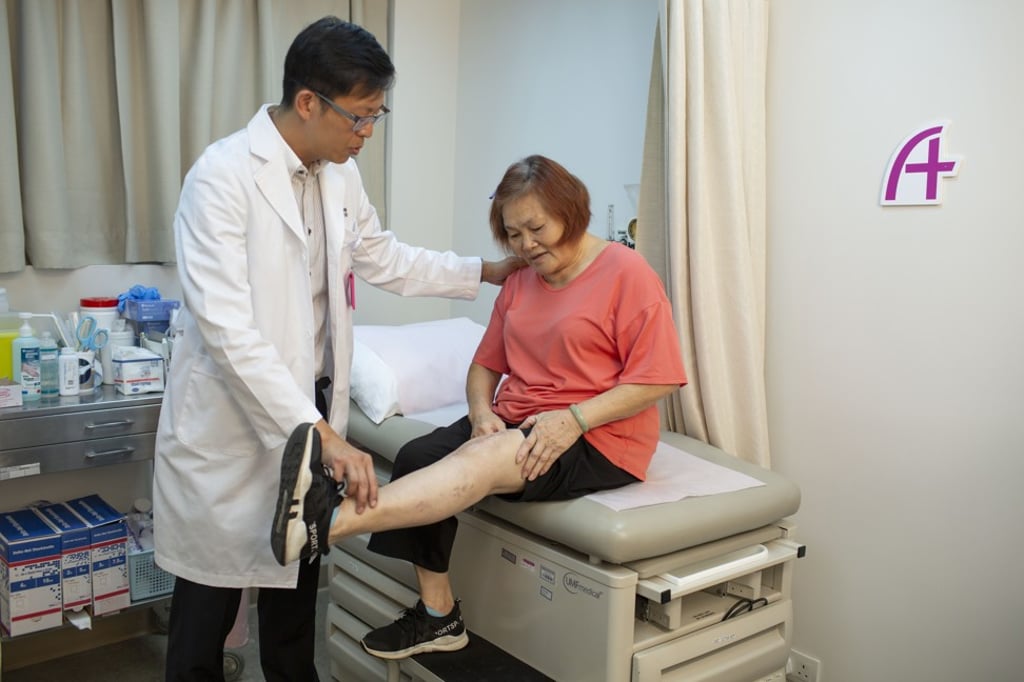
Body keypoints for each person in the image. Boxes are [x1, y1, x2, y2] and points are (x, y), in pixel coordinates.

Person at [152, 17, 522, 682]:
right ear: (307, 103)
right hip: (234, 426)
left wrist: (484, 272)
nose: (367, 133)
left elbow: (380, 254)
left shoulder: (337, 174)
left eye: (378, 116)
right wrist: (322, 435)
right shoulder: (222, 178)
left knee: (295, 613)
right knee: (204, 620)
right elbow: (228, 331)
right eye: (360, 117)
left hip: (313, 409)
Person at [272, 154, 688, 661]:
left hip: (596, 434)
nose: (526, 245)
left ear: (572, 211)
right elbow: (485, 365)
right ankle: (439, 616)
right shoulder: (521, 278)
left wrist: (573, 419)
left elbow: (659, 377)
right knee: (419, 456)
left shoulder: (627, 273)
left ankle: (329, 523)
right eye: (513, 234)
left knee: (484, 459)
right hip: (517, 419)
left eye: (536, 228)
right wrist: (482, 411)